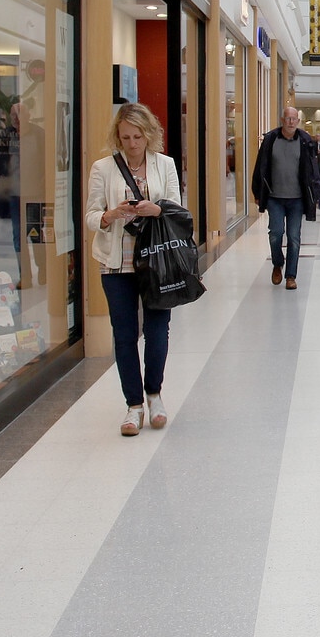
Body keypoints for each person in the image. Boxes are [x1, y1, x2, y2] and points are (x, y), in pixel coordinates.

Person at [83, 102, 182, 436]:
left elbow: (177, 211)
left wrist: (155, 209)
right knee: (124, 335)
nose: (132, 143)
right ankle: (133, 404)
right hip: (117, 263)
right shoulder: (102, 168)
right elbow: (90, 216)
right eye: (125, 137)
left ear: (148, 134)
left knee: (157, 331)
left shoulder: (165, 165)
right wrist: (111, 215)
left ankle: (154, 394)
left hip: (156, 261)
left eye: (138, 136)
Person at [253, 105, 319, 287]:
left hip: (297, 199)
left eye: (294, 119)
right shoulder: (271, 139)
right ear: (282, 120)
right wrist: (257, 191)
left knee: (293, 237)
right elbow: (261, 166)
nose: (291, 122)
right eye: (288, 118)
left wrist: (315, 193)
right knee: (276, 233)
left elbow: (313, 170)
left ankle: (291, 276)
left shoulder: (305, 140)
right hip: (274, 197)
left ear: (298, 121)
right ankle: (277, 264)